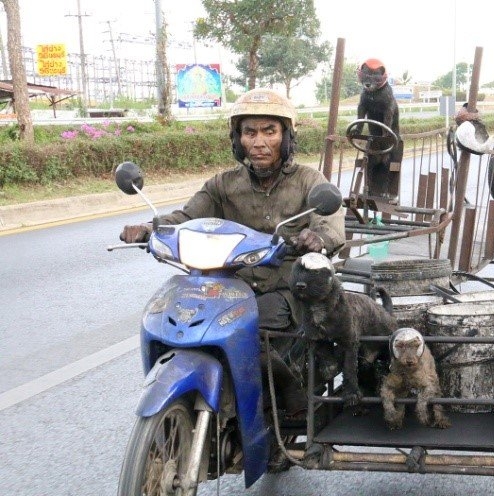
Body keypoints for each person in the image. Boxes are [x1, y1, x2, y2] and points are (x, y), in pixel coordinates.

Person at [120, 88, 346, 419]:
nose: (259, 142)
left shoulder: (308, 181)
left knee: (253, 325)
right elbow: (186, 217)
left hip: (287, 286)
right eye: (249, 132)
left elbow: (331, 226)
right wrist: (149, 228)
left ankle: (289, 387)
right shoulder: (223, 185)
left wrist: (317, 237)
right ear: (238, 138)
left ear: (286, 136)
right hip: (229, 286)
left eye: (269, 131)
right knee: (183, 318)